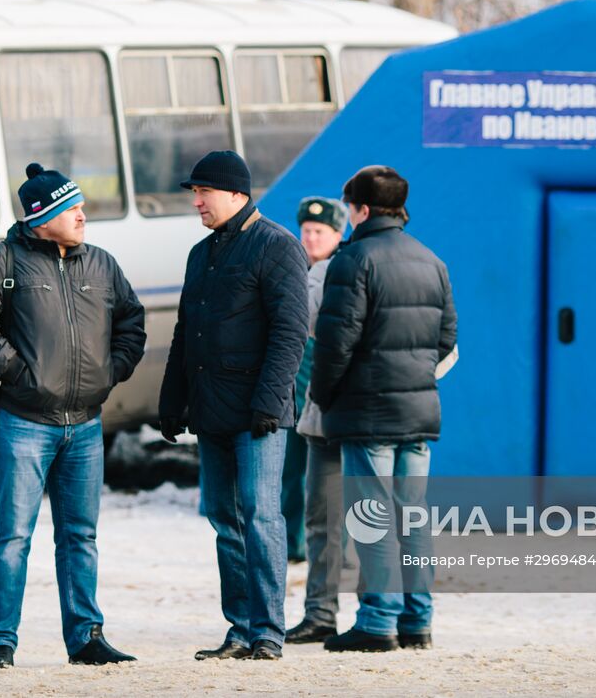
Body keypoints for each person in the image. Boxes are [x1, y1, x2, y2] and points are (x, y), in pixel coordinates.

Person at [0, 164, 147, 668]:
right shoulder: (0, 263)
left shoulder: (101, 264)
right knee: (13, 535)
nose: (82, 215)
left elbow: (132, 321)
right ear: (42, 217)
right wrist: (16, 372)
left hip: (85, 424)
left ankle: (86, 637)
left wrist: (110, 370)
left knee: (80, 536)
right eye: (69, 208)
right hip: (24, 422)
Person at [158, 150, 309, 662]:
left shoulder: (277, 246)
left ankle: (268, 632)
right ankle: (240, 628)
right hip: (212, 409)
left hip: (258, 415)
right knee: (225, 519)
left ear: (238, 196)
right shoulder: (201, 254)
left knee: (262, 515)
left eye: (204, 192)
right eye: (194, 193)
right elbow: (186, 333)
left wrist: (269, 402)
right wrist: (173, 400)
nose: (196, 201)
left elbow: (291, 333)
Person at [312, 166, 457, 652]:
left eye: (349, 206)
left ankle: (377, 621)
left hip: (368, 413)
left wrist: (325, 395)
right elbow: (446, 338)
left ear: (362, 209)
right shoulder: (431, 260)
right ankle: (418, 620)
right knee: (412, 516)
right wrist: (413, 376)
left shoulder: (353, 261)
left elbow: (335, 343)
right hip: (418, 412)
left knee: (372, 517)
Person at [285, 196, 351, 644]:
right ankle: (293, 552)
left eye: (319, 232)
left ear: (339, 234)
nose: (311, 237)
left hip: (334, 407)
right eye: (306, 231)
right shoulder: (290, 270)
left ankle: (380, 610)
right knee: (294, 485)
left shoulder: (346, 275)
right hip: (293, 403)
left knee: (338, 499)